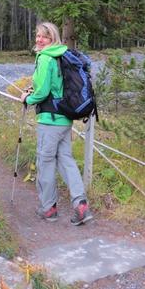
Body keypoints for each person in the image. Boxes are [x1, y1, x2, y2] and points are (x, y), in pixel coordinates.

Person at [20, 22, 93, 225]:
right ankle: (81, 205)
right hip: (64, 119)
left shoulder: (45, 58)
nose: (39, 40)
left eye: (44, 37)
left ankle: (48, 209)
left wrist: (27, 99)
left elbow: (42, 93)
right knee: (66, 160)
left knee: (45, 163)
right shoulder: (62, 55)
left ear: (52, 39)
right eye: (37, 36)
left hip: (49, 121)